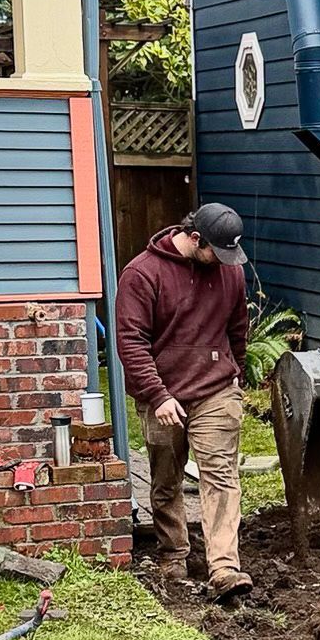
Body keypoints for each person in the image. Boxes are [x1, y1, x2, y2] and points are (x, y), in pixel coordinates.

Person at [115, 203, 253, 602]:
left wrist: (235, 375)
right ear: (195, 239)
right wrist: (157, 395)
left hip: (216, 389)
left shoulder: (231, 270)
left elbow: (237, 329)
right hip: (163, 394)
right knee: (166, 479)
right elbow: (130, 341)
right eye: (217, 252)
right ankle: (173, 553)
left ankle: (224, 566)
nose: (224, 262)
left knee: (221, 476)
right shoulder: (143, 273)